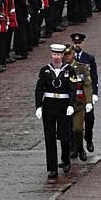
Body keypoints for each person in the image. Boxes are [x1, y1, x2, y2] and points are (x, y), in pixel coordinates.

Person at [34, 43, 75, 180]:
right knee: (49, 137)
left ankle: (66, 158)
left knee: (64, 135)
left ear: (62, 56)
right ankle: (51, 169)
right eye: (54, 54)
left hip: (63, 106)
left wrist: (71, 105)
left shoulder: (69, 70)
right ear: (51, 55)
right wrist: (38, 106)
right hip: (49, 106)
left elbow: (72, 89)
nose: (57, 57)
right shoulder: (45, 70)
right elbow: (39, 89)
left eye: (59, 55)